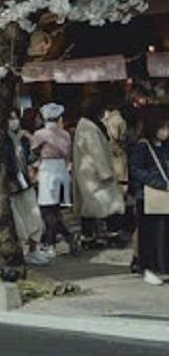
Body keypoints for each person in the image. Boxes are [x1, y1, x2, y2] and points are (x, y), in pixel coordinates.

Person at [72, 99, 125, 246]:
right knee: (107, 205)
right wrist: (105, 172)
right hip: (94, 174)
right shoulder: (89, 128)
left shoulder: (84, 125)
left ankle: (89, 236)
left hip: (87, 173)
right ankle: (110, 234)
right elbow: (97, 153)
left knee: (89, 207)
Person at [31, 102, 79, 257]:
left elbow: (33, 152)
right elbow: (68, 155)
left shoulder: (40, 134)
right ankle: (66, 236)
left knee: (47, 209)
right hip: (62, 170)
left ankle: (51, 243)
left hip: (47, 170)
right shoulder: (65, 135)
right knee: (55, 209)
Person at [128, 112, 169, 286]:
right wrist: (159, 183)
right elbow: (136, 170)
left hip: (163, 196)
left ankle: (162, 267)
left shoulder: (165, 146)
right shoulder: (143, 147)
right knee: (150, 234)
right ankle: (148, 268)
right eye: (163, 128)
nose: (166, 132)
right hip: (147, 197)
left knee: (163, 235)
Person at [4, 110, 48, 265]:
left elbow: (31, 158)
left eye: (16, 118)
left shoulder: (23, 139)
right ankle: (24, 251)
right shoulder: (3, 140)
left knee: (34, 217)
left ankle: (34, 249)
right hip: (12, 184)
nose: (14, 121)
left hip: (25, 182)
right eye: (11, 118)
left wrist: (31, 140)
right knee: (19, 222)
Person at [103, 104, 132, 246]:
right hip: (118, 158)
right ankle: (118, 228)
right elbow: (120, 136)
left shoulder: (108, 120)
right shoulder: (119, 120)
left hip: (112, 159)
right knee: (121, 192)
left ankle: (113, 228)